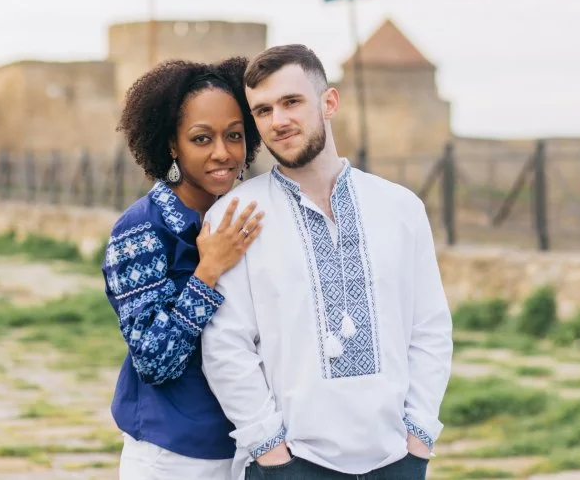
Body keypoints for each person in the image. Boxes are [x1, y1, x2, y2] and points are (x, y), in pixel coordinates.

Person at [200, 44, 453, 480]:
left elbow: (429, 328)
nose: (278, 120)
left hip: (396, 459)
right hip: (292, 464)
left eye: (291, 102)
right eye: (263, 111)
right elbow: (226, 345)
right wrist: (270, 449)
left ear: (329, 102)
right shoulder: (236, 215)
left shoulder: (400, 208)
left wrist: (419, 436)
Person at [101, 56, 265, 479]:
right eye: (201, 138)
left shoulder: (248, 217)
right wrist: (208, 271)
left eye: (234, 135)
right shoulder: (141, 230)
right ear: (172, 145)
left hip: (253, 446)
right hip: (173, 456)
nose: (222, 153)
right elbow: (154, 361)